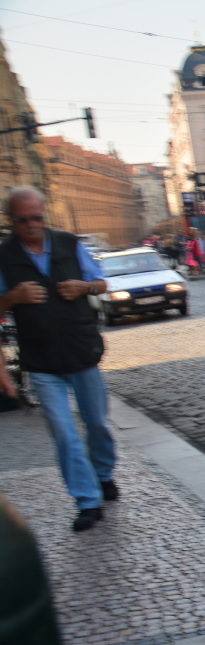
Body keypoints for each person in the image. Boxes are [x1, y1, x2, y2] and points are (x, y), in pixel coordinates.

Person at [0, 186, 117, 531]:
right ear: (11, 221)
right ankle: (86, 501)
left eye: (38, 218)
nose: (33, 225)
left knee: (96, 423)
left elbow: (101, 283)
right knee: (64, 434)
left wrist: (83, 287)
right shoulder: (4, 257)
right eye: (24, 220)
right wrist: (12, 296)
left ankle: (104, 473)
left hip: (82, 352)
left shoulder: (69, 243)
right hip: (41, 361)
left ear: (44, 215)